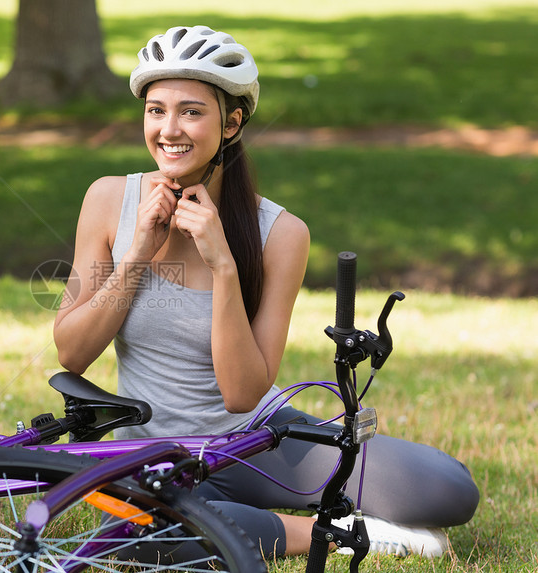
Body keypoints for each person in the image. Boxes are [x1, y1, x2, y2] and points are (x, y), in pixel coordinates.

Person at [53, 25, 479, 559]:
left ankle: (268, 512)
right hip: (159, 458)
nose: (169, 129)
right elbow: (71, 353)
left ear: (231, 123)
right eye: (156, 110)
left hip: (256, 438)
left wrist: (223, 266)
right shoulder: (108, 201)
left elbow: (241, 394)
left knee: (449, 489)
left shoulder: (281, 235)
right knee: (145, 534)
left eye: (191, 111)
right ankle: (349, 536)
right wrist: (137, 252)